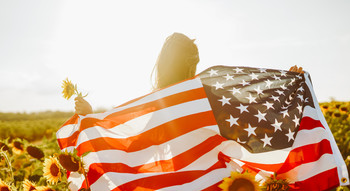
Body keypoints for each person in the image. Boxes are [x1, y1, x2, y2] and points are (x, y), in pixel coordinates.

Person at [74, 32, 303, 115]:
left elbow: (249, 112)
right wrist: (92, 116)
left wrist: (286, 87)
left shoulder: (205, 92)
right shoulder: (157, 102)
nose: (194, 67)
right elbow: (124, 134)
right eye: (191, 61)